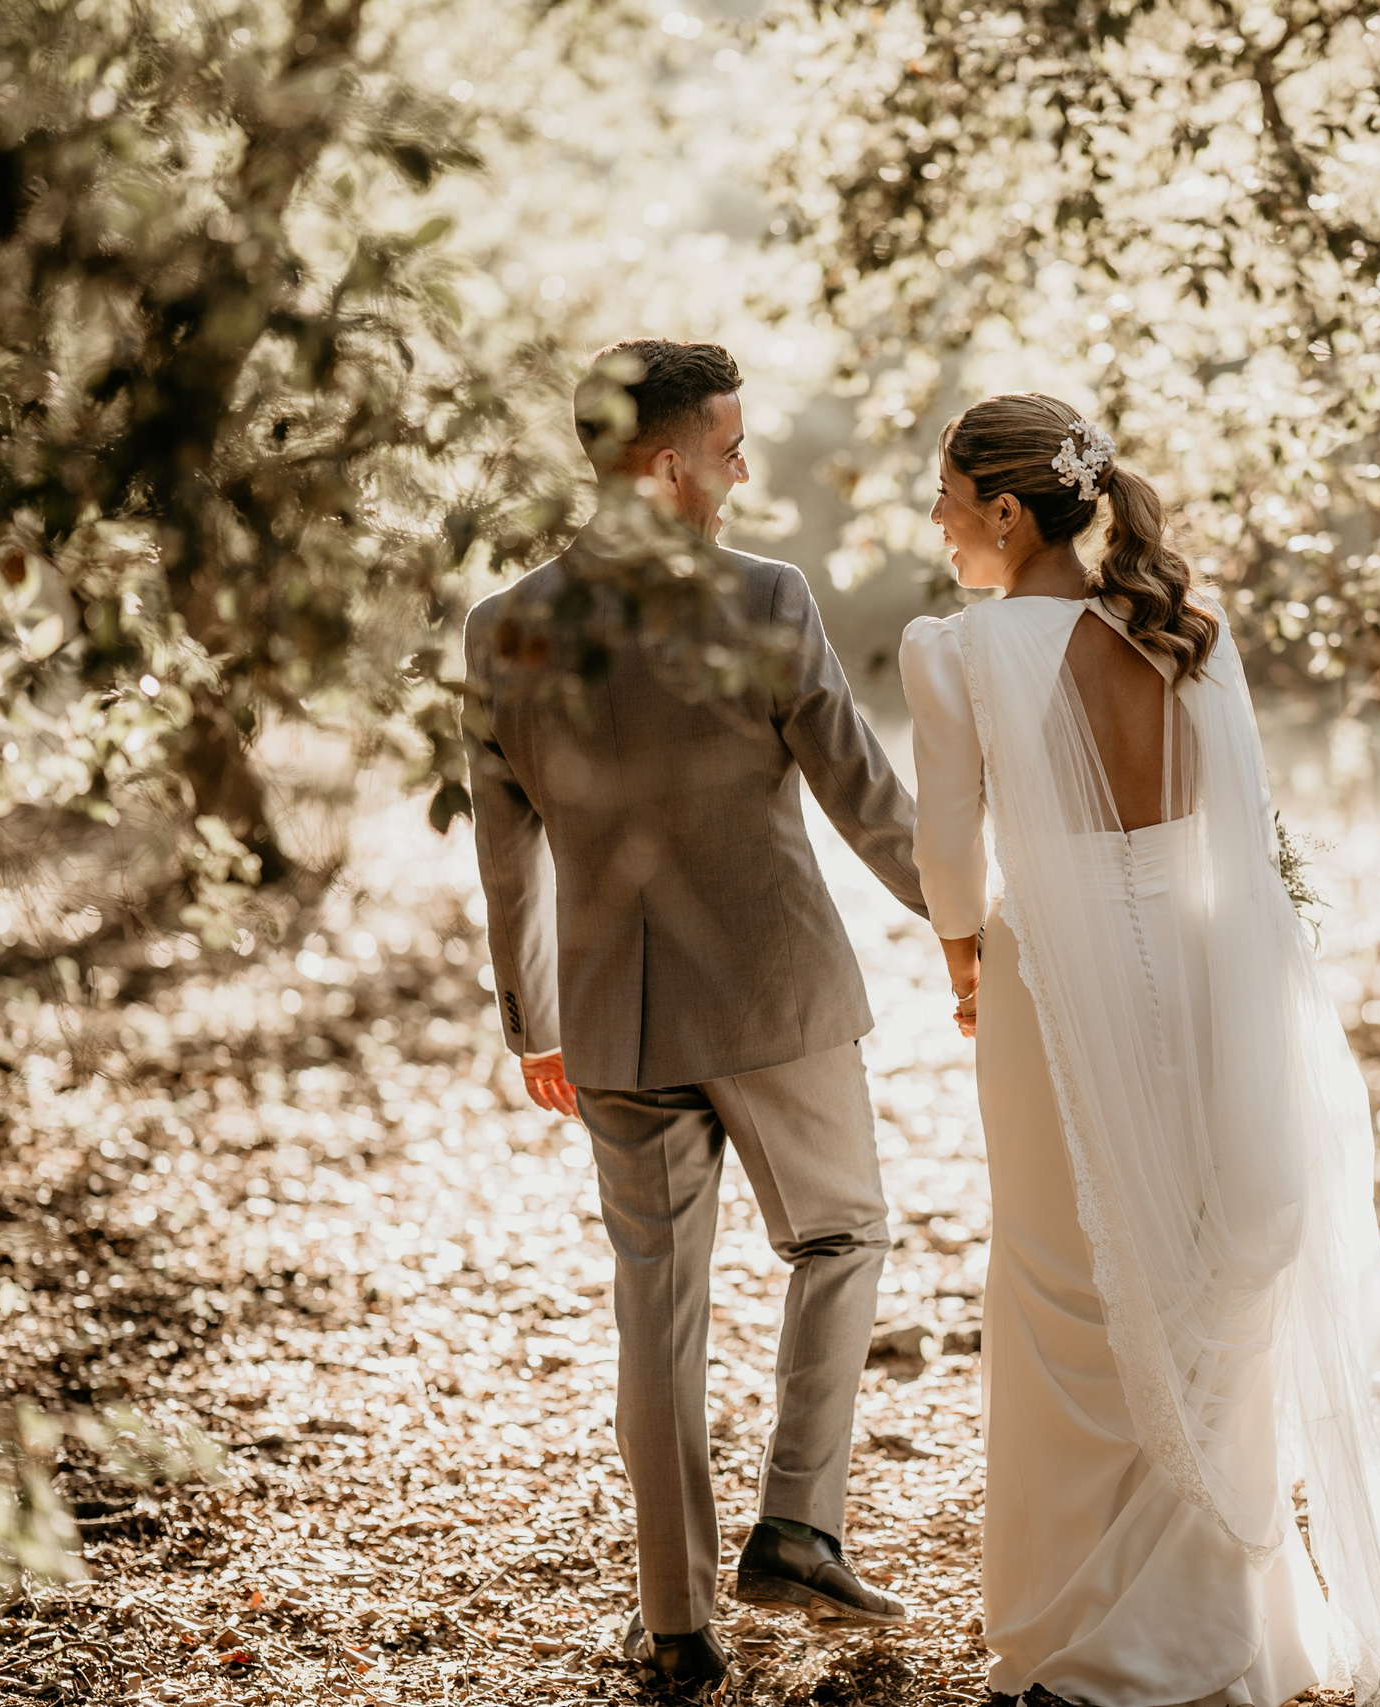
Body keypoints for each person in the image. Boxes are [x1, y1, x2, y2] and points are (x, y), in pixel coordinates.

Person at [898, 394, 1380, 1707]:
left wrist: (963, 958)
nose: (936, 520)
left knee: (1059, 1287)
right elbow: (1242, 848)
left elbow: (952, 873)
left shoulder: (959, 653)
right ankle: (1212, 1630)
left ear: (1008, 512)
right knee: (1198, 1281)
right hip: (1205, 977)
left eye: (948, 496)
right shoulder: (1180, 638)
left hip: (1051, 993)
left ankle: (1087, 1641)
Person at [465, 339, 926, 1692]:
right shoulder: (767, 599)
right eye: (729, 446)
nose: (743, 466)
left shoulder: (505, 626)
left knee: (654, 1314)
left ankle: (675, 1629)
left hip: (612, 1022)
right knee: (842, 1234)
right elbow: (864, 798)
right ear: (665, 466)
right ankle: (795, 1522)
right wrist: (973, 927)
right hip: (776, 1000)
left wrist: (532, 1019)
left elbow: (507, 850)